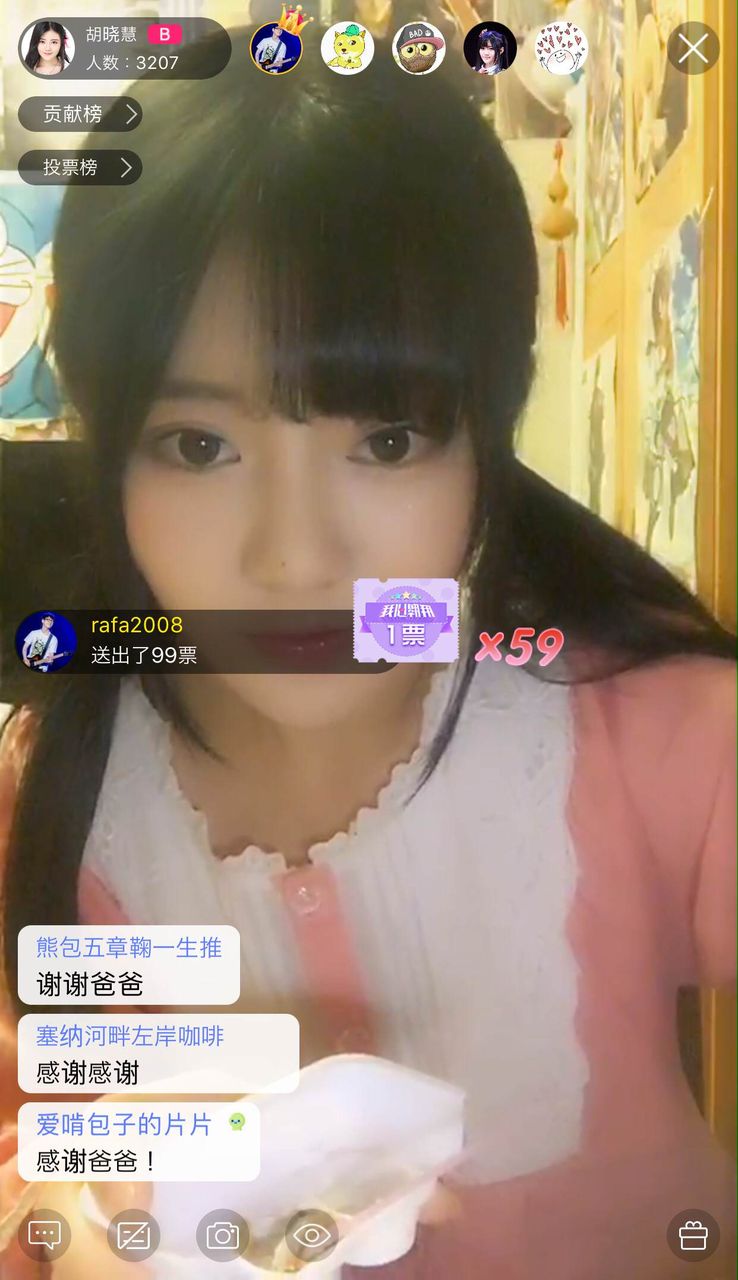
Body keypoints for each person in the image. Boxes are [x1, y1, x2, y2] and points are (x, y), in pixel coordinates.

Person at [0, 26, 735, 1279]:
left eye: (387, 441)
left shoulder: (653, 734)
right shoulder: (51, 799)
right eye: (198, 445)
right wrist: (73, 1221)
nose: (296, 559)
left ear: (486, 441)